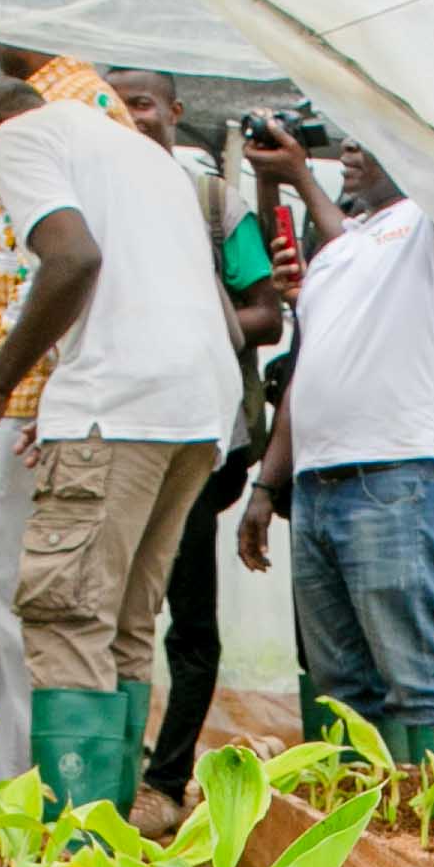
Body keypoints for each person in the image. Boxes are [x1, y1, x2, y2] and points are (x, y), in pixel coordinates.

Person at [0, 63, 239, 818]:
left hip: (119, 403)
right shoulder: (144, 152)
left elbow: (71, 259)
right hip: (197, 413)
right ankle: (110, 839)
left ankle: (74, 854)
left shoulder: (17, 134)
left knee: (66, 614)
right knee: (125, 625)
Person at [236, 122, 434, 763]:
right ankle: (361, 843)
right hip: (315, 487)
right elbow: (305, 376)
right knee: (341, 691)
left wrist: (299, 176)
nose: (351, 148)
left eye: (372, 135)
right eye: (346, 138)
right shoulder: (341, 251)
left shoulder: (433, 226)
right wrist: (266, 484)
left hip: (394, 477)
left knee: (416, 679)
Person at [0, 52, 126, 774]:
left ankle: (28, 789)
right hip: (31, 417)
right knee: (25, 609)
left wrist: (3, 396)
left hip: (40, 420)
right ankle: (24, 780)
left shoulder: (45, 143)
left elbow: (65, 281)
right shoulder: (77, 145)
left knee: (26, 608)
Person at [119, 74, 280, 819]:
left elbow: (265, 317)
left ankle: (164, 782)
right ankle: (115, 772)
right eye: (115, 106)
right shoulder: (100, 195)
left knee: (186, 610)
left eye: (143, 103)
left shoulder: (213, 201)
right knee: (114, 609)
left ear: (175, 113)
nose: (130, 117)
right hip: (115, 431)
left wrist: (190, 322)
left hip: (198, 438)